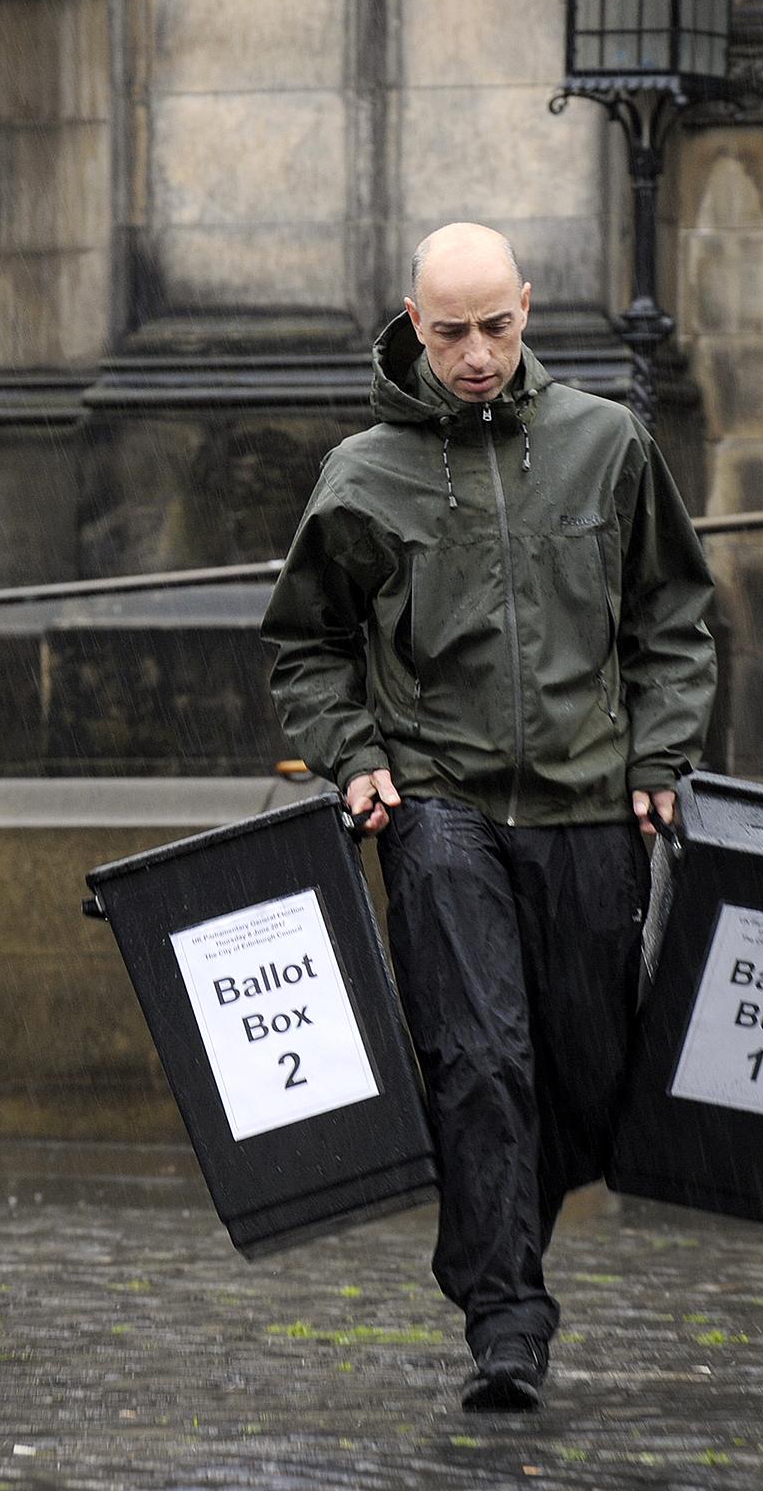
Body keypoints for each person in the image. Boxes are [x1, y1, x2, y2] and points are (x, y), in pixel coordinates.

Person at [261, 224, 716, 1412]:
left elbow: (670, 616)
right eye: (450, 331)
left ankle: (507, 1224)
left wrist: (661, 752)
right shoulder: (363, 474)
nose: (474, 355)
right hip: (439, 805)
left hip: (586, 801)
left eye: (495, 326)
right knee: (478, 1059)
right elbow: (305, 646)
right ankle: (503, 1317)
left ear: (527, 306)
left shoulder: (606, 446)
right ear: (413, 322)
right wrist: (353, 757)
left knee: (582, 1065)